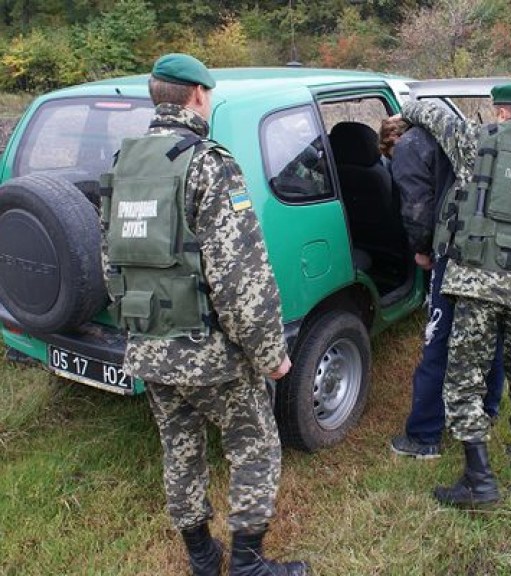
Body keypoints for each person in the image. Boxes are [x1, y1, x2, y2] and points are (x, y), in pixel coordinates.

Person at [100, 53, 309, 576]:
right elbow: (241, 279)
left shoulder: (121, 165)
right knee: (255, 445)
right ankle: (247, 562)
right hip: (210, 353)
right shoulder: (210, 164)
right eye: (208, 95)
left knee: (179, 446)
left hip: (148, 342)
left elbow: (111, 262)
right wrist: (272, 355)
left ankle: (199, 554)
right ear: (197, 96)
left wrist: (138, 328)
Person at [397, 82, 511, 507]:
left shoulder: (475, 141)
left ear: (499, 113)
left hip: (478, 282)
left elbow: (433, 118)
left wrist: (408, 102)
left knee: (463, 378)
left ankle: (478, 479)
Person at [378, 118, 505, 459]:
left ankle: (424, 436)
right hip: (493, 248)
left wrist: (422, 249)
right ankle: (489, 409)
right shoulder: (459, 136)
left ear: (393, 141)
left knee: (439, 338)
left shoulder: (409, 147)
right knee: (492, 331)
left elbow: (417, 207)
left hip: (450, 253)